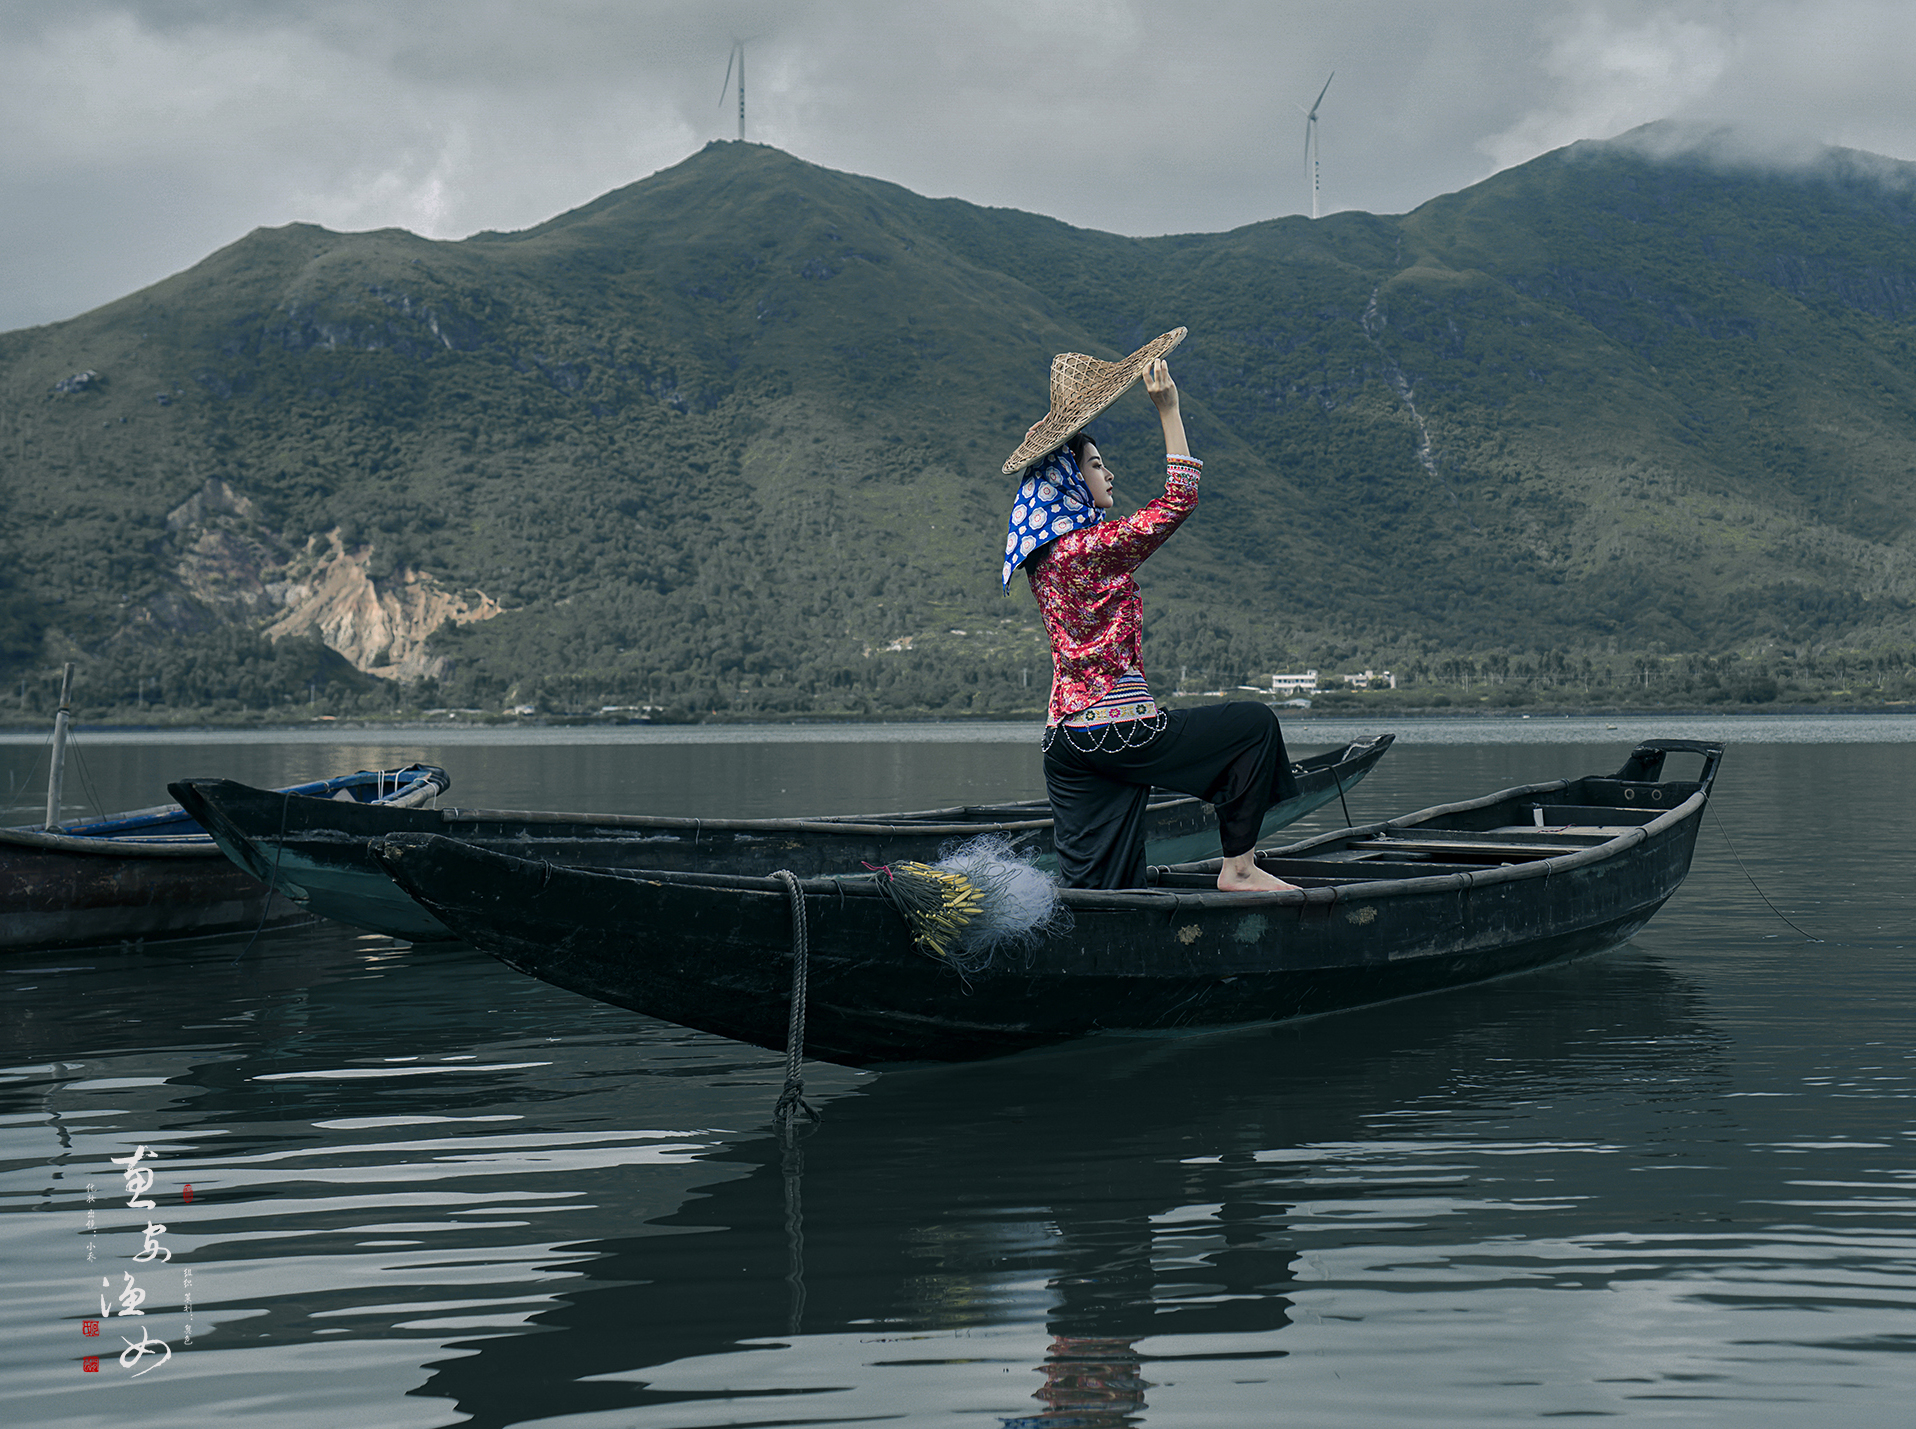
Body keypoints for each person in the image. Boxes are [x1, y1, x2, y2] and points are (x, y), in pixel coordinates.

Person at [1001, 328, 1302, 892]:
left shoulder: (1046, 557)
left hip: (1065, 741)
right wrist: (1169, 408)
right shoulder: (1086, 550)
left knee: (1102, 881)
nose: (1107, 473)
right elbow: (1178, 500)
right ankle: (1239, 869)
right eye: (1094, 466)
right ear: (1068, 479)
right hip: (1115, 729)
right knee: (1254, 727)